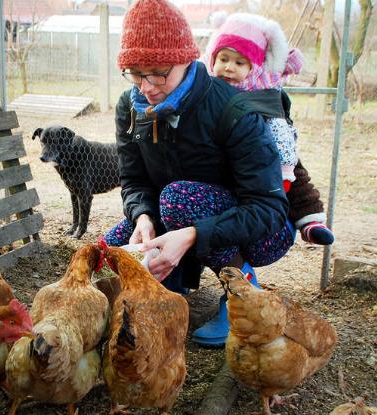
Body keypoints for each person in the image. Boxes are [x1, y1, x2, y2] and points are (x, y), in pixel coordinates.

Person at [103, 0, 294, 347]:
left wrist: (191, 236)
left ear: (186, 59)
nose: (146, 86)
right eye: (134, 72)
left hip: (260, 229)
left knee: (177, 199)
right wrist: (142, 216)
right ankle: (174, 280)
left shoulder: (235, 110)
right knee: (108, 253)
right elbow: (133, 180)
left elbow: (270, 208)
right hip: (175, 212)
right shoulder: (130, 107)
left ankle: (241, 285)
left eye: (159, 72)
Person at [204, 12, 335, 246]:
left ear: (254, 66)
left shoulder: (263, 86)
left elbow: (279, 125)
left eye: (239, 62)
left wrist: (285, 166)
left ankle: (310, 220)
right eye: (223, 59)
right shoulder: (208, 88)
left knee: (297, 176)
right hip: (229, 158)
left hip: (269, 152)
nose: (228, 68)